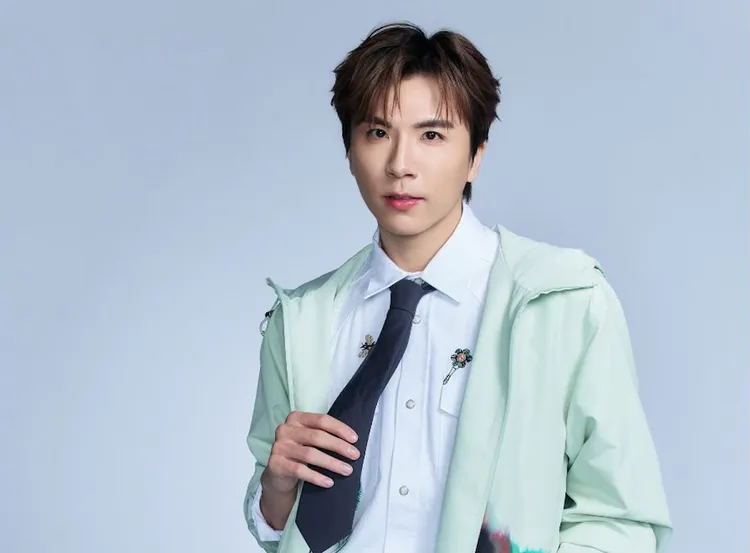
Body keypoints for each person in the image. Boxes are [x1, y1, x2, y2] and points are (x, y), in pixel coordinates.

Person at [243, 22, 672, 553]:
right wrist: (276, 487)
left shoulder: (563, 303)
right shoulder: (302, 321)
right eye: (377, 133)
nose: (400, 165)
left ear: (476, 155)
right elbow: (277, 526)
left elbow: (619, 520)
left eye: (431, 135)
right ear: (349, 151)